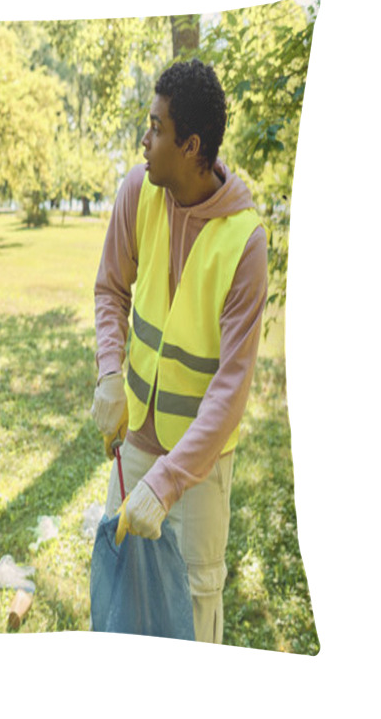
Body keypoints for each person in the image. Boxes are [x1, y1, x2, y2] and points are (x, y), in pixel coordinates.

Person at [90, 58, 268, 644]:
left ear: (191, 146)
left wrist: (167, 483)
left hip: (198, 471)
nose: (145, 139)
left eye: (156, 127)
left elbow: (229, 395)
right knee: (124, 598)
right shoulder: (138, 190)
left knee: (192, 610)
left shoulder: (245, 244)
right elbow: (111, 289)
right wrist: (109, 375)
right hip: (135, 441)